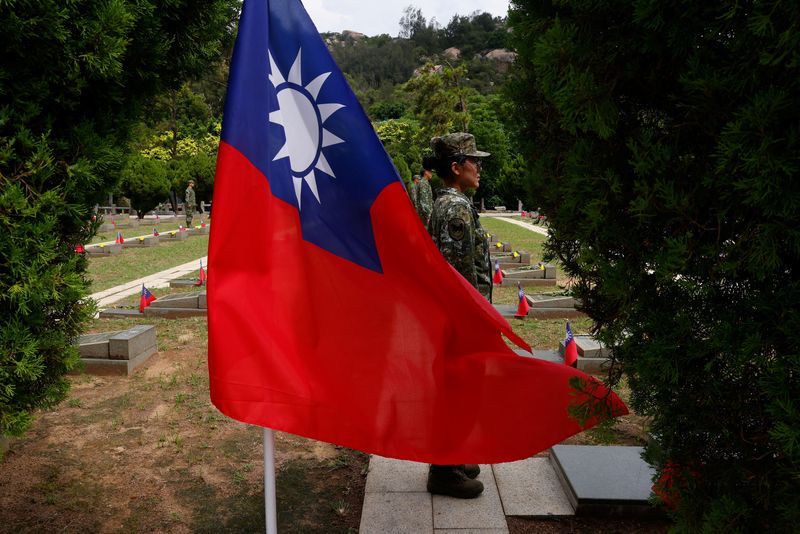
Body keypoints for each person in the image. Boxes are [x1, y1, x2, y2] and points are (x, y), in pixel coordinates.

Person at [425, 132, 492, 499]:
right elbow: (457, 274)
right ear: (456, 167)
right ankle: (444, 470)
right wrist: (470, 321)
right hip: (460, 318)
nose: (478, 167)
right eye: (473, 160)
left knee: (458, 388)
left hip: (458, 318)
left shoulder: (453, 203)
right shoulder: (456, 209)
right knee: (455, 389)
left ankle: (451, 457)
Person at [415, 156, 435, 228]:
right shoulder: (424, 183)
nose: (432, 174)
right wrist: (430, 218)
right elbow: (424, 203)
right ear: (426, 172)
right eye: (431, 172)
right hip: (425, 220)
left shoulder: (425, 183)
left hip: (424, 218)